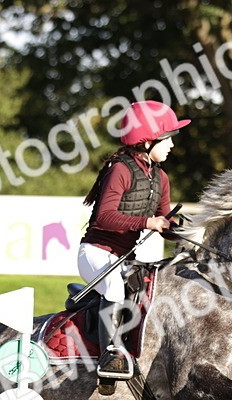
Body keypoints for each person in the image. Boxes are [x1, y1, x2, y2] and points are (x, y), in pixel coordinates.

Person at [79, 100, 188, 380]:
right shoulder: (120, 169)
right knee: (114, 288)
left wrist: (185, 231)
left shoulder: (159, 178)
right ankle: (110, 355)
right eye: (168, 139)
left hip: (124, 258)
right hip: (96, 252)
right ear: (148, 140)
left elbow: (165, 221)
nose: (172, 146)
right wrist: (147, 222)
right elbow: (104, 216)